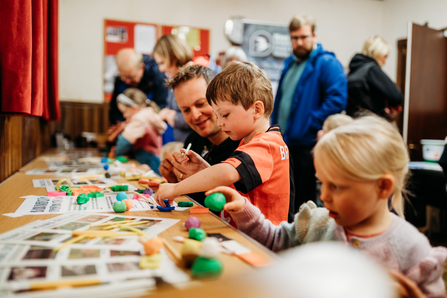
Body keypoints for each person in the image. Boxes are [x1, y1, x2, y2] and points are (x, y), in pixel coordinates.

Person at [205, 115, 447, 297]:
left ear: (383, 188)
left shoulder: (411, 247)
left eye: (337, 187)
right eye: (323, 183)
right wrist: (245, 210)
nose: (325, 195)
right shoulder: (316, 222)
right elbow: (274, 242)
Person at [156, 62, 291, 225]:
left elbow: (227, 173)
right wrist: (203, 170)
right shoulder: (251, 141)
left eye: (225, 115)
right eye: (217, 115)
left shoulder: (266, 145)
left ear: (257, 110)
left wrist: (175, 189)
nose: (219, 123)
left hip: (259, 242)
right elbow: (233, 185)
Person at [271, 15, 347, 213]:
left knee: (305, 203)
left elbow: (337, 99)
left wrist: (309, 123)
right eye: (294, 38)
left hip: (307, 144)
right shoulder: (290, 63)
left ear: (314, 35)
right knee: (288, 199)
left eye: (304, 37)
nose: (299, 42)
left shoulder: (327, 63)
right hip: (286, 142)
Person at [159, 65, 240, 207]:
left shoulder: (245, 146)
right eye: (186, 110)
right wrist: (175, 178)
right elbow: (193, 201)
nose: (195, 115)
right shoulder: (193, 140)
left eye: (201, 104)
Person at [346, 36, 403, 121]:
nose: (384, 62)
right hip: (372, 123)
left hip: (353, 123)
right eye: (385, 57)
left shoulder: (352, 71)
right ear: (377, 53)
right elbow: (396, 96)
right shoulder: (372, 69)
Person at [109, 48, 168, 126]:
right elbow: (114, 109)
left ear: (141, 68)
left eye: (130, 77)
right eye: (123, 77)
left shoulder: (158, 76)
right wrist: (120, 123)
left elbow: (161, 107)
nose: (127, 81)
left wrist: (134, 123)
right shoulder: (120, 79)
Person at [114, 88, 166, 174]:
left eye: (125, 111)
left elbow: (124, 143)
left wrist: (116, 153)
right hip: (155, 160)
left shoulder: (138, 119)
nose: (124, 115)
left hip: (145, 162)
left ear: (135, 108)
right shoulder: (149, 114)